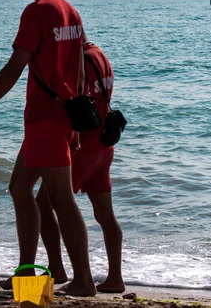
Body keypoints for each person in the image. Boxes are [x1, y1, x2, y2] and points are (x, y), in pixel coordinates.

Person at [0, 0, 96, 297]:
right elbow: (82, 66)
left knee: (61, 198)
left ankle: (83, 281)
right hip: (59, 119)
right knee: (19, 188)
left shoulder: (36, 11)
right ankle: (28, 275)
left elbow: (14, 66)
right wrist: (78, 124)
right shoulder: (71, 11)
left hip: (46, 120)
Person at [36, 32, 125, 293]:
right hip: (104, 144)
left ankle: (65, 272)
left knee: (44, 202)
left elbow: (76, 100)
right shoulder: (99, 54)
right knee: (106, 215)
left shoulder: (80, 60)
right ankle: (115, 278)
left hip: (84, 145)